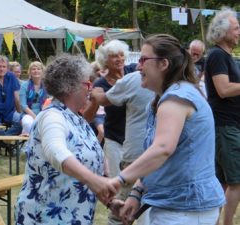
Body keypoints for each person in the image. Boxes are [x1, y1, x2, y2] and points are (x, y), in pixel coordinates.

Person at [106, 34, 225, 225]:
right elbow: (158, 157)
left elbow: (162, 149)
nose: (138, 66)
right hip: (178, 207)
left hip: (185, 210)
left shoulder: (176, 99)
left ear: (163, 64)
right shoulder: (165, 99)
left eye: (144, 60)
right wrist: (136, 193)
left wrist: (119, 180)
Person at [14, 54, 116, 225]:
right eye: (87, 84)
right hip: (45, 217)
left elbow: (85, 168)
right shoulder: (52, 117)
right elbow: (56, 151)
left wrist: (109, 199)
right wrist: (94, 181)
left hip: (74, 216)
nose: (90, 89)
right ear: (70, 87)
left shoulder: (77, 119)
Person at [91, 70, 154, 225]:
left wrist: (95, 94)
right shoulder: (178, 85)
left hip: (138, 153)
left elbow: (102, 99)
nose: (138, 65)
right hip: (130, 147)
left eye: (143, 59)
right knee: (131, 210)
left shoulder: (131, 78)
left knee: (125, 212)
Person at [204, 8, 240, 225]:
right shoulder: (217, 55)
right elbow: (223, 89)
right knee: (236, 181)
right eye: (236, 28)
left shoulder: (226, 56)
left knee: (223, 183)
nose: (239, 32)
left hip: (227, 125)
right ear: (223, 31)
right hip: (225, 126)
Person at [83, 40, 137, 179]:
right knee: (118, 182)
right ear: (105, 60)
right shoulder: (100, 84)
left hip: (137, 137)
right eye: (114, 56)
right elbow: (88, 117)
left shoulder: (134, 72)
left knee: (140, 183)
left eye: (121, 55)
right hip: (115, 139)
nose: (119, 59)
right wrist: (95, 99)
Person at [19, 61, 47, 135]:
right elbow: (23, 105)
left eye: (38, 69)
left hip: (44, 112)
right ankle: (26, 142)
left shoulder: (47, 86)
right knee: (28, 123)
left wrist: (42, 115)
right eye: (33, 69)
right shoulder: (24, 86)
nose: (36, 71)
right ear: (30, 72)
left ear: (42, 71)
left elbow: (50, 101)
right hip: (28, 113)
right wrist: (35, 117)